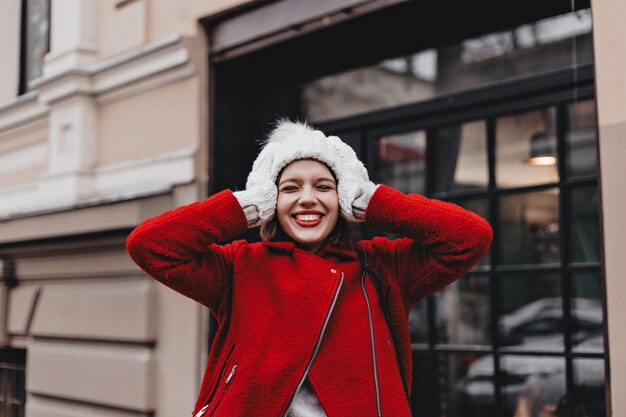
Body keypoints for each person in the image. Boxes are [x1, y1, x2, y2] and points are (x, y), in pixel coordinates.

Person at [126, 120, 493, 417]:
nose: (307, 198)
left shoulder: (383, 267)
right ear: (272, 200)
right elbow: (150, 245)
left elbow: (470, 237)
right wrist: (246, 205)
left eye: (324, 186)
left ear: (343, 198)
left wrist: (375, 201)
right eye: (289, 188)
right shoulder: (239, 266)